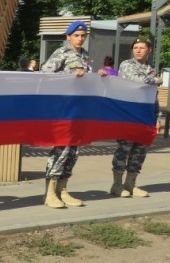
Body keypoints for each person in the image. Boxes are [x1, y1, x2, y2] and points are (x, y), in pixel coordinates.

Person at [41, 20, 103, 209]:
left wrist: (98, 75)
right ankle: (50, 192)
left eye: (83, 36)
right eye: (76, 35)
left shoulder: (84, 55)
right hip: (63, 110)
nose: (80, 39)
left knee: (73, 152)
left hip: (79, 111)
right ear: (68, 37)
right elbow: (44, 73)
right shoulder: (61, 53)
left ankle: (63, 189)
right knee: (61, 150)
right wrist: (70, 74)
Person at [106, 37, 160, 198]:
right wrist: (155, 80)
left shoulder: (151, 68)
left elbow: (153, 96)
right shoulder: (127, 65)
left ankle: (130, 184)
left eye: (141, 47)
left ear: (149, 50)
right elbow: (137, 80)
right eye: (135, 47)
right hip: (128, 115)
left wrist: (157, 117)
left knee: (140, 150)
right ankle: (116, 185)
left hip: (145, 116)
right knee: (124, 149)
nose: (137, 50)